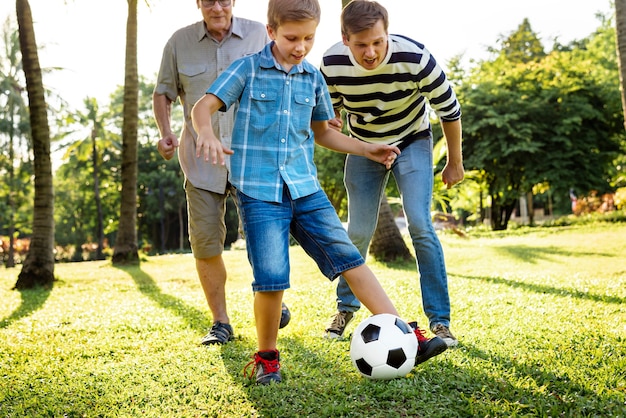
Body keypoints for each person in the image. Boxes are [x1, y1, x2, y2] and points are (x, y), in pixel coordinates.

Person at [191, 0, 447, 385]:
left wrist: (366, 148)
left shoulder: (312, 77)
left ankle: (407, 336)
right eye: (292, 38)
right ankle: (267, 359)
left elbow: (324, 131)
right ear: (272, 31)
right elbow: (203, 106)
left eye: (309, 38)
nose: (300, 46)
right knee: (273, 276)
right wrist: (207, 133)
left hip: (305, 188)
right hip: (259, 192)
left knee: (350, 257)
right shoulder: (246, 69)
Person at [320, 0, 464, 347]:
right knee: (356, 232)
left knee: (420, 223)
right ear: (345, 39)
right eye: (361, 44)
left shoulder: (416, 58)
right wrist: (331, 119)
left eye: (378, 42)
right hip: (364, 145)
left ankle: (440, 322)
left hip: (412, 139)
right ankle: (345, 309)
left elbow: (449, 109)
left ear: (388, 33)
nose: (370, 52)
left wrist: (454, 162)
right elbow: (326, 116)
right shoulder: (331, 64)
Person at [152, 0, 290, 346]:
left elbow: (286, 79)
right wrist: (165, 132)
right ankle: (220, 322)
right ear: (198, 3)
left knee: (263, 235)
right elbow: (163, 93)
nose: (217, 6)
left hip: (253, 156)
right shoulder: (178, 43)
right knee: (205, 242)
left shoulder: (260, 33)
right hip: (201, 160)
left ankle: (274, 300)